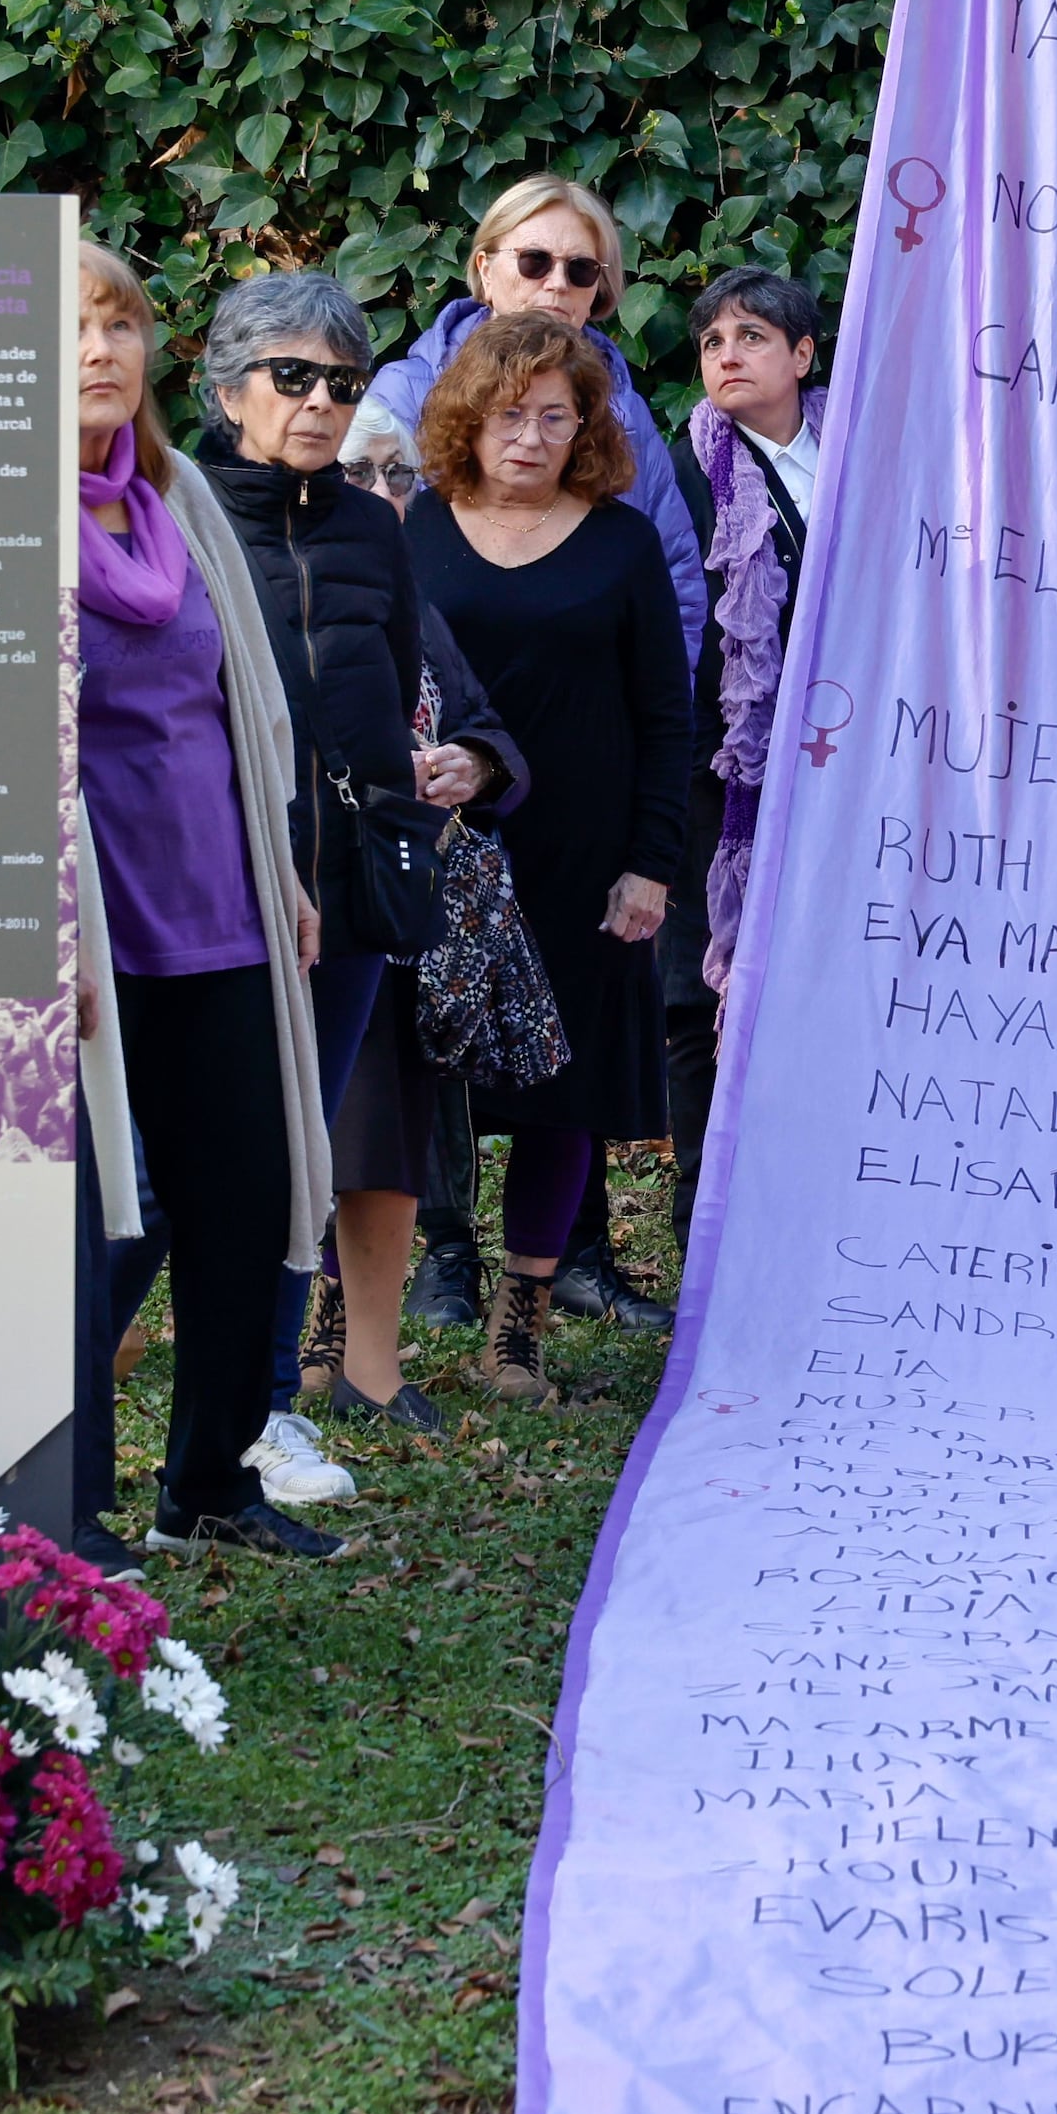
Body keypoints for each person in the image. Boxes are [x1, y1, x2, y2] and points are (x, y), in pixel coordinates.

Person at [193, 271, 522, 1437]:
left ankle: (266, 1410)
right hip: (210, 897)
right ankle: (173, 1423)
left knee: (301, 1159)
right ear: (228, 385)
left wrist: (452, 771)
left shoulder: (371, 527)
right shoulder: (179, 516)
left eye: (339, 381)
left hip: (354, 899)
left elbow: (407, 684)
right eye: (293, 377)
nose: (321, 402)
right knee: (203, 1167)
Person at [68, 247, 345, 1562]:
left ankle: (214, 1488)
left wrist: (282, 868)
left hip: (222, 907)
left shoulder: (178, 501)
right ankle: (64, 1507)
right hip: (88, 926)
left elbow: (244, 711)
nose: (101, 348)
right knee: (86, 1225)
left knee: (245, 1201)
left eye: (119, 320)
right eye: (70, 326)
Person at [410, 314, 691, 1405]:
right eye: (508, 414)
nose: (528, 437)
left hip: (585, 861)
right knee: (405, 1083)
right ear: (467, 418)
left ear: (584, 428)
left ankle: (517, 1322)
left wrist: (650, 864)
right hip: (441, 849)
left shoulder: (620, 542)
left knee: (562, 1089)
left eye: (553, 417)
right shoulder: (413, 529)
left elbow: (665, 718)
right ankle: (368, 1305)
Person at [651, 265, 831, 1325]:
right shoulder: (681, 473)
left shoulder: (856, 459)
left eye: (752, 335)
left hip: (838, 765)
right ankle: (699, 1225)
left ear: (802, 357)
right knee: (694, 991)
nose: (726, 353)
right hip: (713, 765)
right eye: (711, 337)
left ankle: (804, 1216)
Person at [350, 173, 707, 660]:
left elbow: (674, 582)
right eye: (534, 261)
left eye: (580, 269)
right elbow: (360, 557)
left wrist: (660, 720)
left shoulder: (624, 411)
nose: (557, 284)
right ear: (486, 269)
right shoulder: (408, 391)